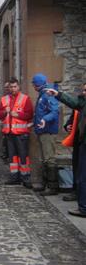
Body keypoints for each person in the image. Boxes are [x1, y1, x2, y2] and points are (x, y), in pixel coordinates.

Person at [45, 83, 86, 218]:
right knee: (80, 175)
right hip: (80, 143)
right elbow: (74, 104)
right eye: (83, 90)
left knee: (83, 177)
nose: (83, 92)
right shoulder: (82, 103)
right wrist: (58, 94)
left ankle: (84, 208)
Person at [0, 78, 34, 187]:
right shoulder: (4, 99)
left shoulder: (25, 99)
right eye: (11, 87)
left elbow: (30, 114)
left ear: (18, 87)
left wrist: (18, 115)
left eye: (14, 87)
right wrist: (5, 111)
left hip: (21, 133)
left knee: (23, 156)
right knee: (12, 157)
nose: (13, 89)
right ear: (8, 88)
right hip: (9, 133)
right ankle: (14, 177)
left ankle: (25, 178)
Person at [31, 73, 59, 195]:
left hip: (48, 131)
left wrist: (44, 120)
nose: (33, 86)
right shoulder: (42, 94)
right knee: (44, 158)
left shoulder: (48, 94)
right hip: (42, 131)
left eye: (34, 83)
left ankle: (52, 187)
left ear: (38, 84)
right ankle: (45, 183)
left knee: (49, 159)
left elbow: (54, 111)